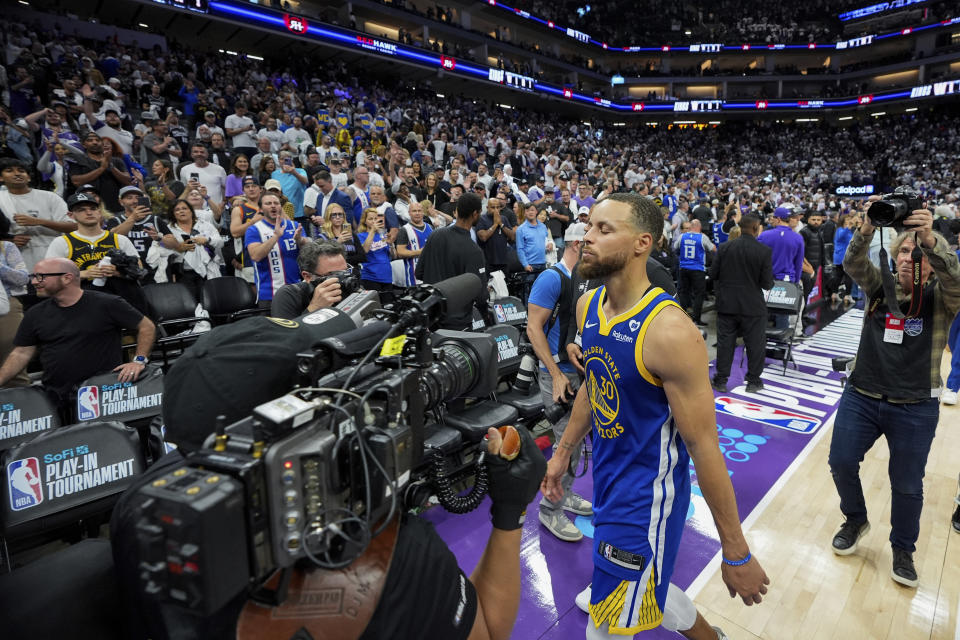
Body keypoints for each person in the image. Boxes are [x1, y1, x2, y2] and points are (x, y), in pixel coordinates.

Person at [541, 193, 769, 640]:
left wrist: (736, 550)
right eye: (588, 226)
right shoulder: (589, 304)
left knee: (603, 627)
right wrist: (563, 451)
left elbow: (704, 447)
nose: (587, 237)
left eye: (604, 230)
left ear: (643, 243)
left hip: (647, 503)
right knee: (646, 591)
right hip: (606, 480)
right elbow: (595, 382)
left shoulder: (669, 331)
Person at [828, 201, 960, 589]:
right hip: (863, 396)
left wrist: (929, 239)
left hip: (916, 405)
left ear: (931, 261)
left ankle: (903, 548)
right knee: (840, 462)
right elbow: (853, 264)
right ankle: (855, 519)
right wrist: (867, 226)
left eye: (916, 254)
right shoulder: (878, 286)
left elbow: (957, 280)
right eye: (903, 251)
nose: (908, 258)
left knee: (907, 484)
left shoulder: (943, 297)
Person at [0, 257, 155, 407]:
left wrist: (138, 361)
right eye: (33, 276)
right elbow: (21, 353)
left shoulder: (107, 303)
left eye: (41, 277)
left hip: (104, 392)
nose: (34, 282)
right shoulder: (35, 313)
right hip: (57, 395)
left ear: (67, 278)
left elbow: (146, 326)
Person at [527, 222, 593, 542]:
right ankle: (550, 508)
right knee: (566, 444)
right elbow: (533, 328)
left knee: (577, 444)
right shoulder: (552, 278)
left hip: (578, 371)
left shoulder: (585, 278)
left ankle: (563, 496)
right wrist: (553, 373)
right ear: (576, 244)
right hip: (557, 373)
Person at [709, 214, 773, 394]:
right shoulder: (764, 251)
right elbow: (767, 283)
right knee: (755, 345)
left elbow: (713, 274)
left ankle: (721, 380)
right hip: (753, 306)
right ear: (755, 228)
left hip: (727, 304)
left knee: (725, 344)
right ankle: (753, 381)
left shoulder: (724, 247)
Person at [416, 192, 488, 330]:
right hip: (456, 324)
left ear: (457, 212)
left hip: (430, 319)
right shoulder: (474, 251)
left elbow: (419, 272)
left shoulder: (435, 234)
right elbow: (480, 296)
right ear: (475, 214)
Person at [0, 158, 77, 271]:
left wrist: (39, 221)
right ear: (1, 177)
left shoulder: (50, 197)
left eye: (21, 171)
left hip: (51, 256)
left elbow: (73, 227)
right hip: (13, 262)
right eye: (9, 170)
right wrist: (7, 241)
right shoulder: (1, 198)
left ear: (29, 177)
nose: (17, 174)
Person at [245, 192, 307, 308]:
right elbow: (255, 256)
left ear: (280, 207)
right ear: (261, 209)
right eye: (268, 203)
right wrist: (275, 237)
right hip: (269, 295)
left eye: (276, 203)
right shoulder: (254, 230)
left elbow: (309, 251)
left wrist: (300, 240)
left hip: (297, 290)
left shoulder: (294, 226)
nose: (273, 206)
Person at [270, 239, 351, 319]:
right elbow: (285, 332)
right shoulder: (288, 296)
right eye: (333, 275)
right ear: (307, 276)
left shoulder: (348, 284)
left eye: (345, 271)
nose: (342, 278)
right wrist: (315, 307)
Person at [165, 200, 225, 300]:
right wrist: (178, 247)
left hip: (207, 271)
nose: (181, 211)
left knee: (210, 301)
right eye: (177, 210)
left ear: (191, 211)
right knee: (189, 303)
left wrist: (207, 240)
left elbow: (220, 243)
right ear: (173, 214)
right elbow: (160, 245)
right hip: (183, 273)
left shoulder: (205, 225)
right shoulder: (169, 229)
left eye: (184, 208)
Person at [0, 214, 30, 387]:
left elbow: (22, 279)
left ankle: (22, 410)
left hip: (7, 308)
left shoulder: (6, 247)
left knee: (12, 368)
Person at [676, 219, 715, 327]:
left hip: (683, 268)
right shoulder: (702, 237)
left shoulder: (682, 236)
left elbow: (675, 247)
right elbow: (713, 248)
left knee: (684, 293)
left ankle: (682, 318)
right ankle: (696, 319)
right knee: (699, 294)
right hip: (698, 269)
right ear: (699, 227)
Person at [356, 206, 395, 297]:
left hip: (386, 276)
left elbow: (394, 256)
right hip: (370, 277)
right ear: (365, 221)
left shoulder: (383, 235)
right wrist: (373, 231)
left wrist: (391, 244)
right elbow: (364, 250)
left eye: (375, 219)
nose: (374, 221)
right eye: (370, 219)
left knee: (388, 306)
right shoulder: (360, 236)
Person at [394, 201, 433, 287]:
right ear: (409, 213)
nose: (417, 213)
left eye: (419, 211)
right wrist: (420, 252)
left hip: (432, 275)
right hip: (414, 278)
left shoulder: (430, 227)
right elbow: (400, 253)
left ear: (423, 212)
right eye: (414, 211)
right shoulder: (404, 230)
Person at [178, 143, 227, 207]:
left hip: (215, 209)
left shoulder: (219, 169)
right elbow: (184, 189)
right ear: (191, 154)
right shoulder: (184, 170)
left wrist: (224, 202)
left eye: (202, 152)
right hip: (194, 209)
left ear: (207, 154)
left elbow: (226, 188)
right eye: (196, 152)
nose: (199, 154)